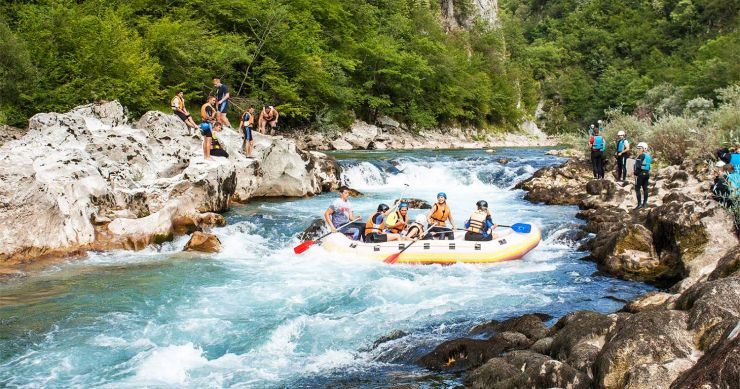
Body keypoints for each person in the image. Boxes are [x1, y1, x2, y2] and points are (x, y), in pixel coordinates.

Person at [634, 142, 652, 209]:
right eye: (638, 148)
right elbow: (649, 167)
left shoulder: (641, 155)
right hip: (647, 174)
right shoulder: (648, 156)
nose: (638, 149)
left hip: (641, 174)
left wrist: (635, 173)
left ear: (644, 148)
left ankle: (639, 205)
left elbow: (638, 166)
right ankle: (645, 204)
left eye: (640, 148)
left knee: (637, 188)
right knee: (645, 189)